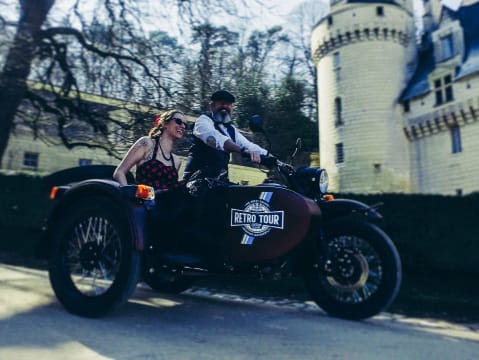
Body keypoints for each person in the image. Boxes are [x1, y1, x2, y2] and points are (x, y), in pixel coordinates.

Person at [182, 90, 268, 181]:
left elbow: (249, 145)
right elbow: (217, 140)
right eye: (222, 103)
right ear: (212, 106)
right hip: (195, 181)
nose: (225, 107)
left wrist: (274, 160)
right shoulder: (203, 121)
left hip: (219, 182)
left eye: (229, 104)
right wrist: (243, 151)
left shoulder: (231, 129)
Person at [113, 109, 187, 192]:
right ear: (165, 124)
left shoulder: (177, 161)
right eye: (178, 121)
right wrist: (130, 196)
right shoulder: (146, 144)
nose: (183, 126)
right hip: (142, 202)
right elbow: (119, 172)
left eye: (185, 125)